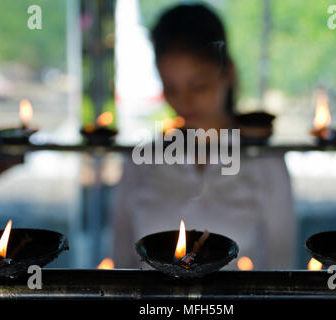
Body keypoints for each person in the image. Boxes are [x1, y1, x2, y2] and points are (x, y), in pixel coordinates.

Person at [112, 4, 295, 270]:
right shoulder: (142, 161)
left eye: (198, 86)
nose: (183, 101)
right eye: (170, 88)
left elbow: (280, 270)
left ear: (227, 73)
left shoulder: (264, 162)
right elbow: (121, 267)